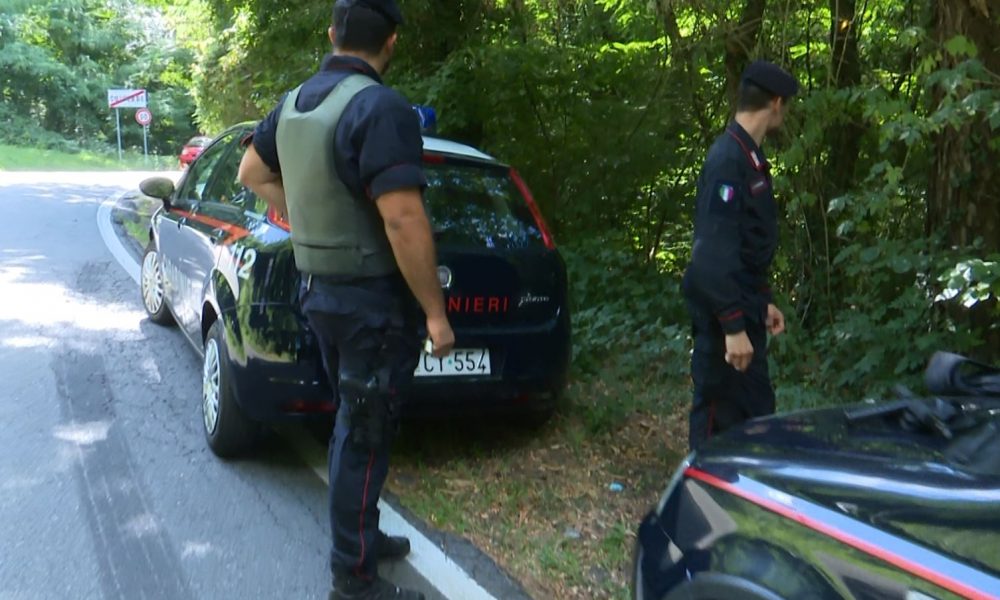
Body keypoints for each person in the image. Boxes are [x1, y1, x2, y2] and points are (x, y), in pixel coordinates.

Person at [237, 1, 454, 598]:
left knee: (357, 425)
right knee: (364, 431)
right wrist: (435, 312)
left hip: (321, 293)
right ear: (391, 42)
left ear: (332, 35)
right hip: (372, 304)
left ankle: (364, 536)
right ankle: (352, 578)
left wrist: (303, 215)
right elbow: (404, 219)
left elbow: (250, 171)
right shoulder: (380, 107)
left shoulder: (294, 102)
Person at [682, 60, 799, 451]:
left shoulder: (750, 158)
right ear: (777, 103)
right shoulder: (728, 161)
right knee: (718, 425)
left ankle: (742, 506)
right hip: (724, 326)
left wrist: (761, 303)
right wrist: (733, 327)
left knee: (755, 419)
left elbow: (745, 246)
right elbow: (710, 256)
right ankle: (698, 503)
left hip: (746, 312)